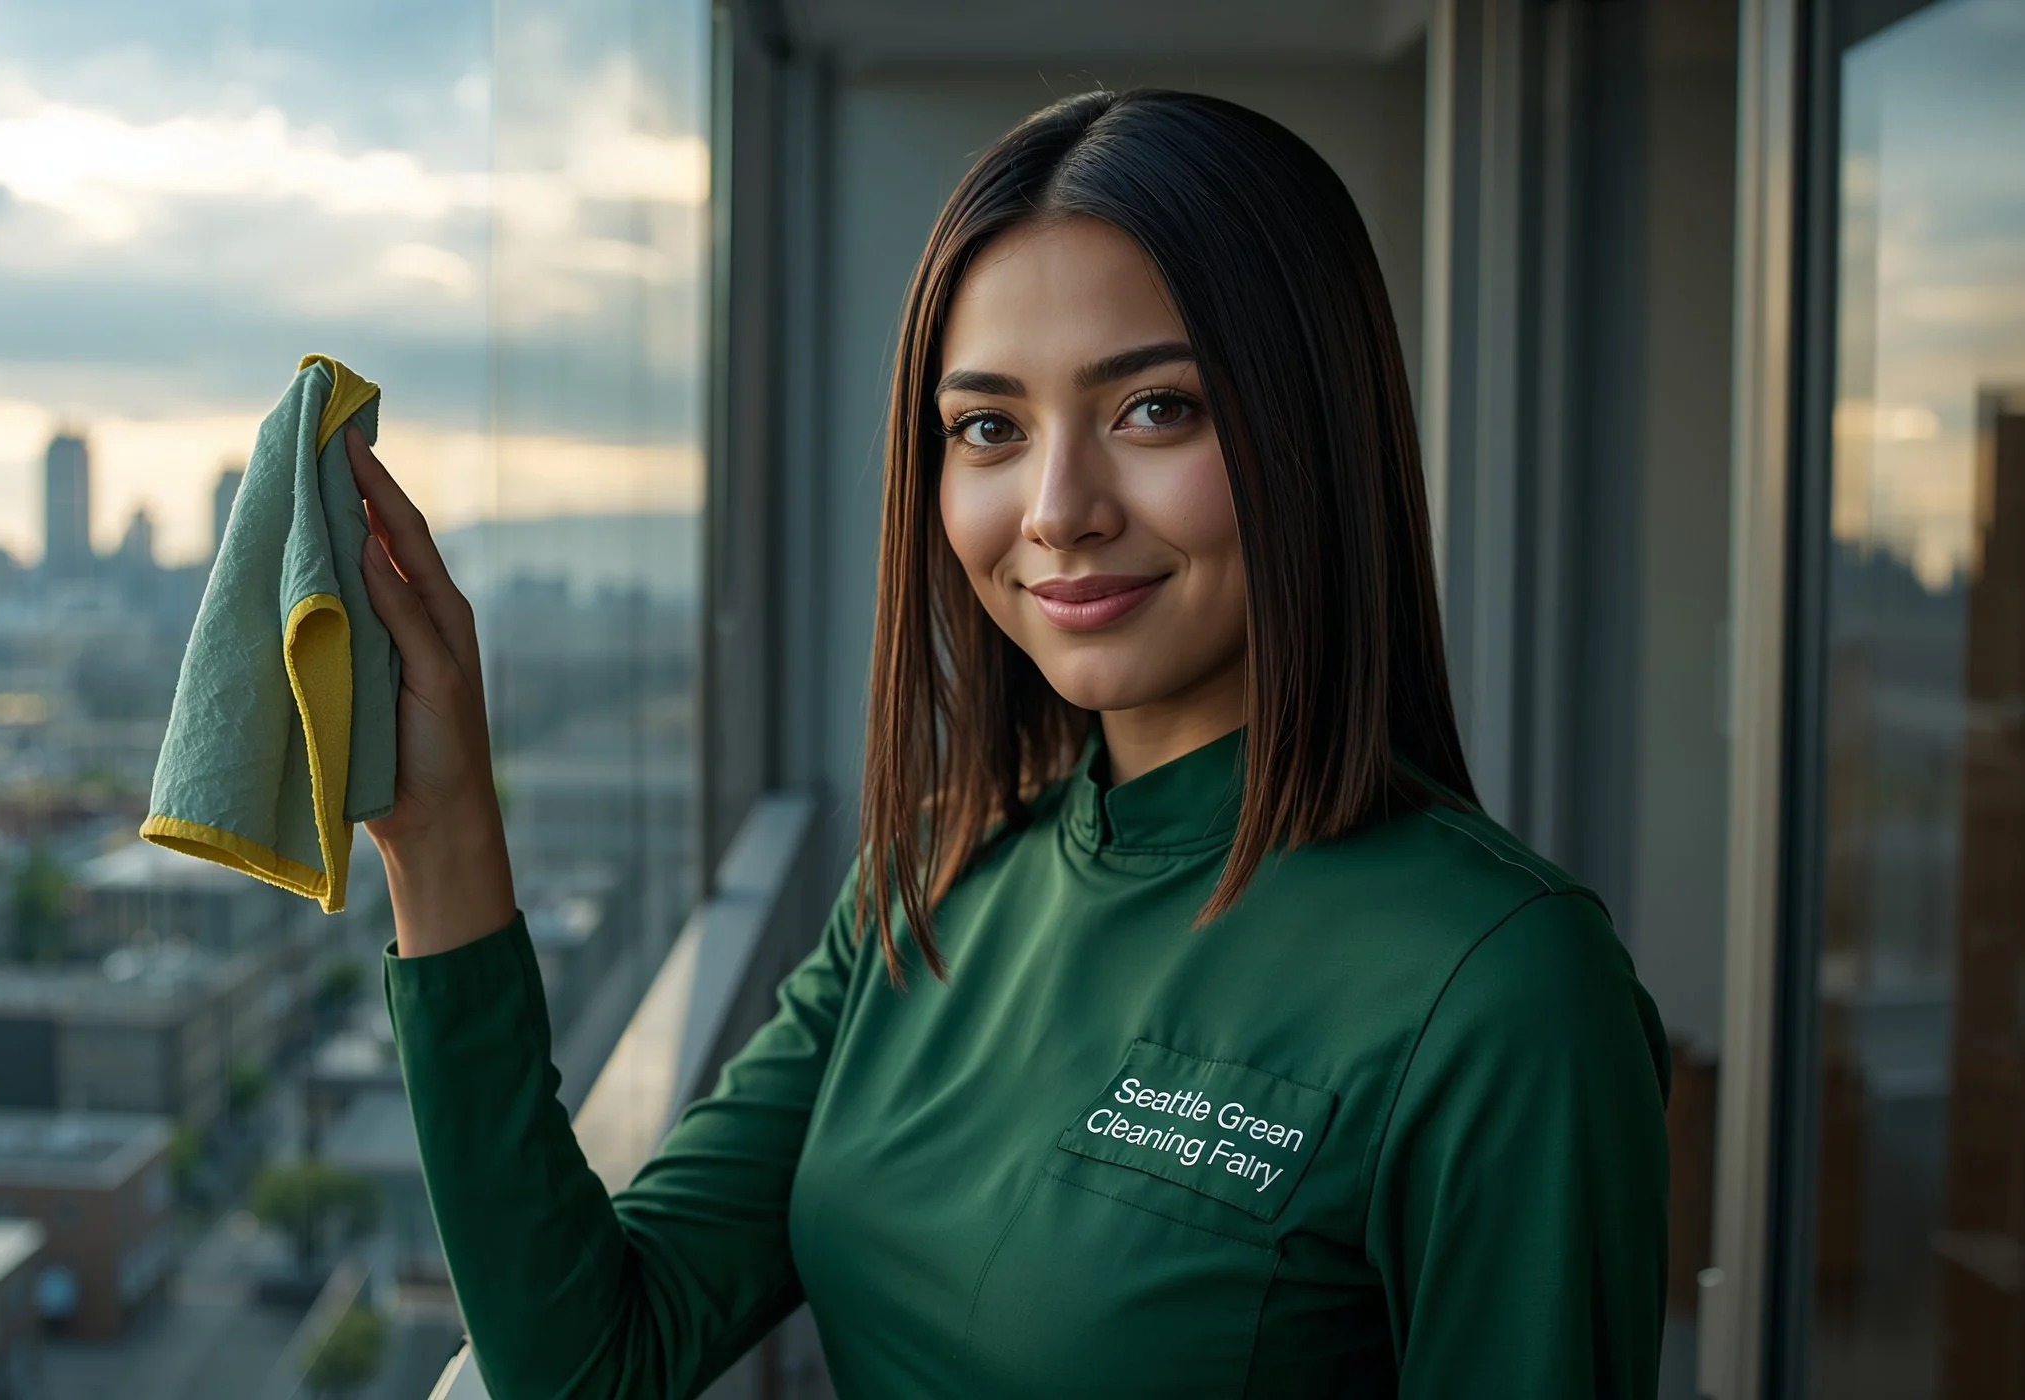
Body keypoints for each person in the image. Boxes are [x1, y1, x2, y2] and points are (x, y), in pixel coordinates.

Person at [351, 87, 1670, 1399]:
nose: (1057, 511)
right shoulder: (928, 876)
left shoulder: (1506, 990)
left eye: (1156, 407)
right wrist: (442, 835)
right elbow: (588, 1362)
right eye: (989, 427)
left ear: (1312, 427)